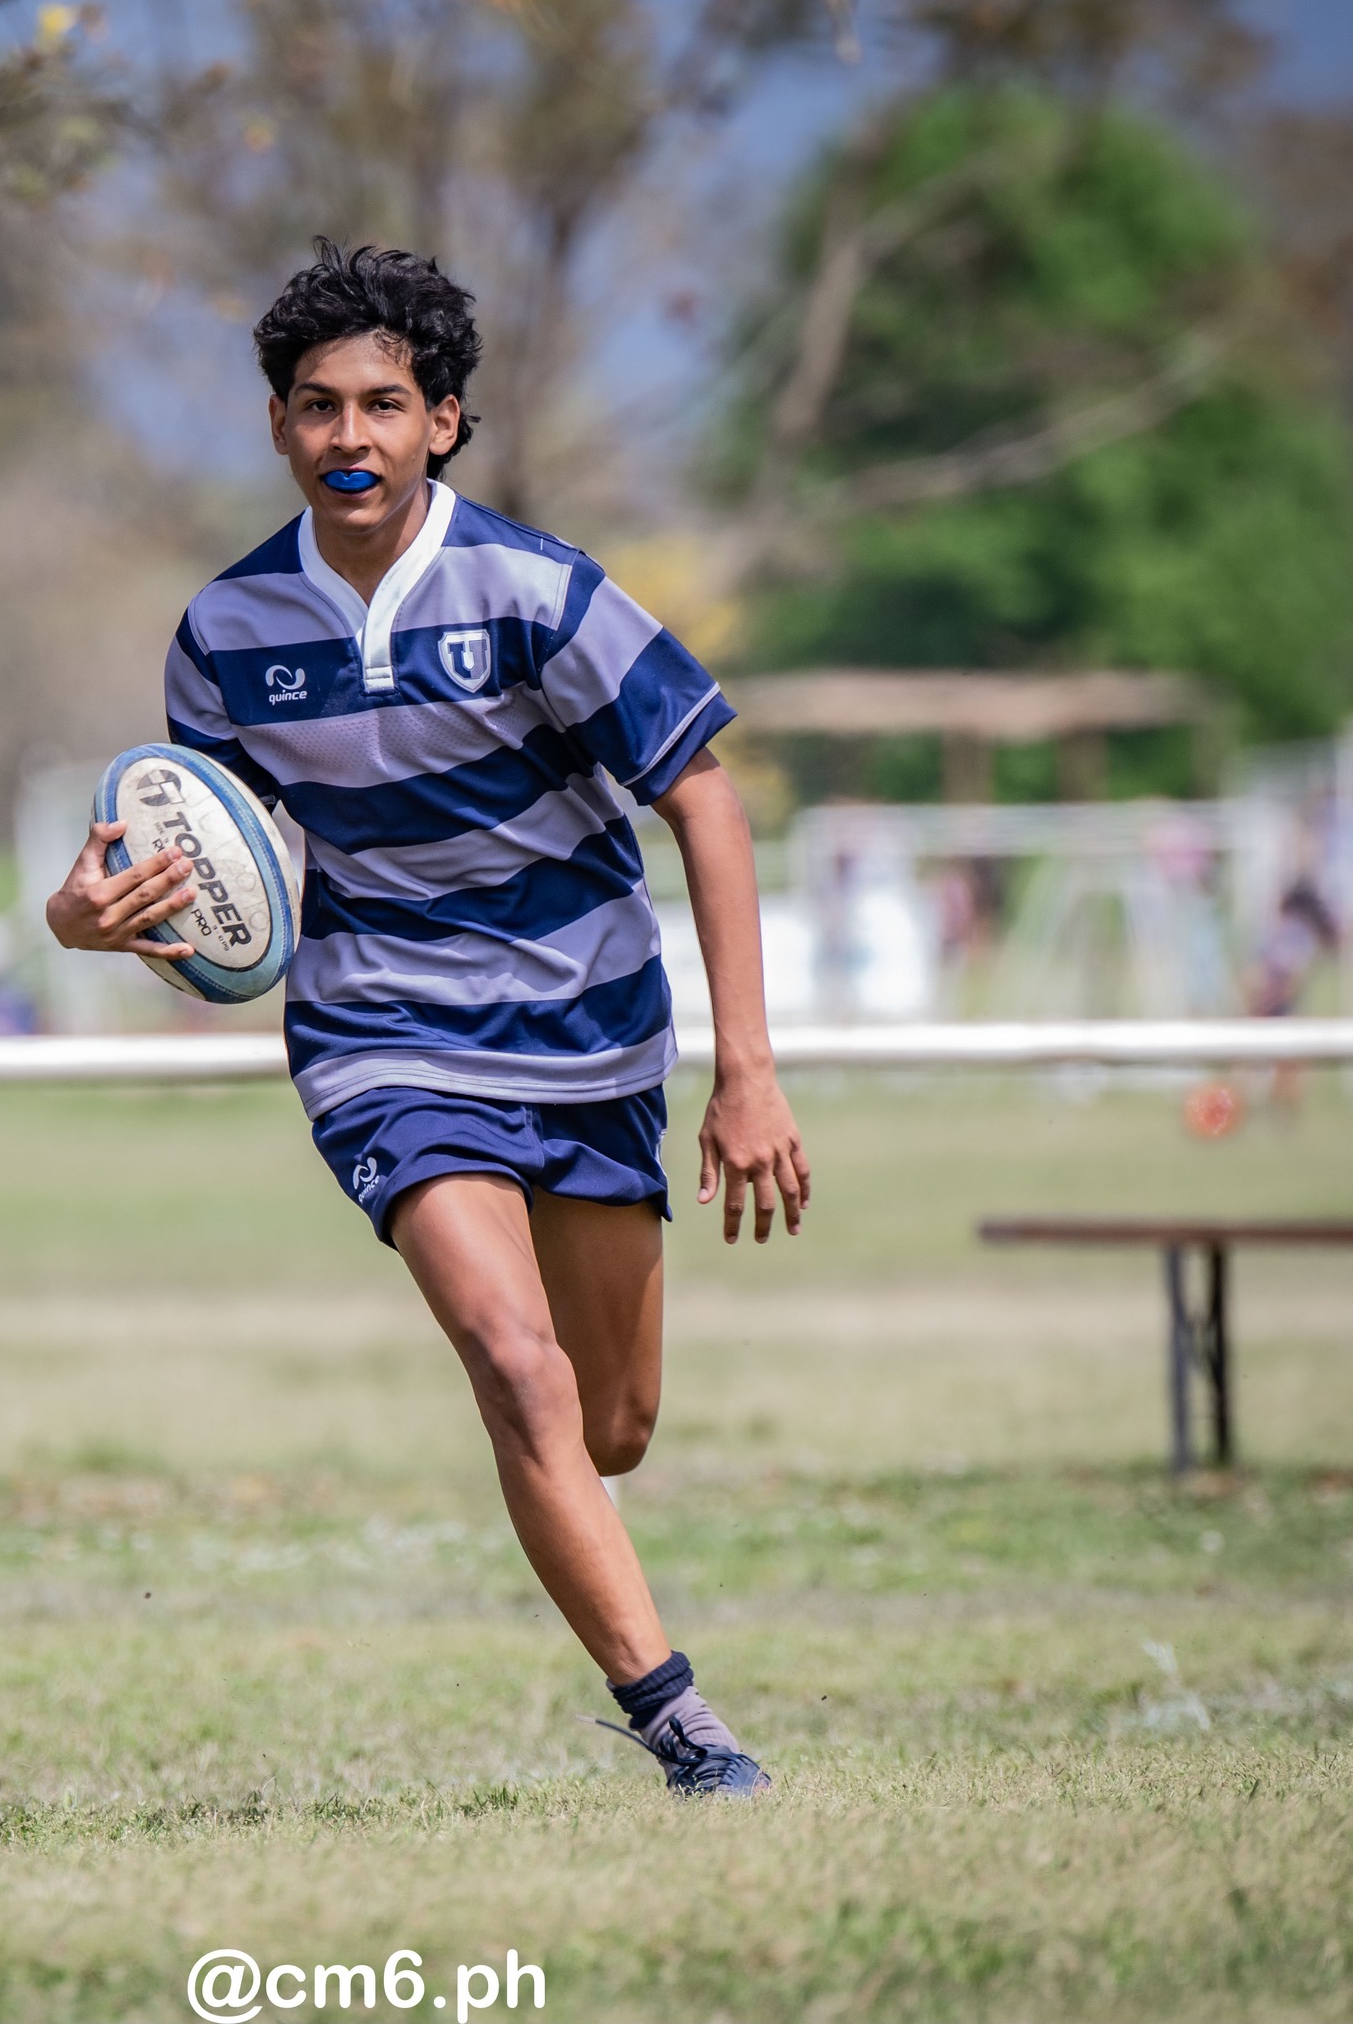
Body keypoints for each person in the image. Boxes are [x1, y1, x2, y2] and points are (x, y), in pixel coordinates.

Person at [47, 241, 809, 1798]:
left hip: (588, 1028)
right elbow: (207, 863)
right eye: (317, 407)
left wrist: (749, 1070)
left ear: (441, 422)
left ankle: (582, 1521)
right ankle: (685, 1730)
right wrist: (89, 916)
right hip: (379, 1032)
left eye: (382, 405)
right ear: (275, 426)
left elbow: (707, 801)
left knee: (609, 1425)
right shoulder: (225, 635)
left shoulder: (539, 594)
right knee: (513, 1370)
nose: (349, 438)